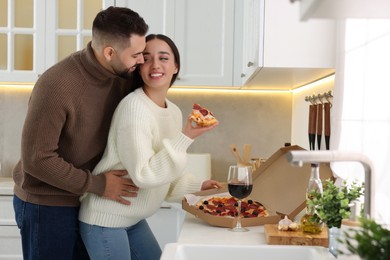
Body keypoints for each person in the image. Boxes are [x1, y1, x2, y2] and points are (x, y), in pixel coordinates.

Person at [12, 7, 149, 260]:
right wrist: (98, 184)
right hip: (47, 205)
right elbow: (37, 159)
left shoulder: (122, 76)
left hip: (88, 201)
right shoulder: (57, 84)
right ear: (109, 52)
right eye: (136, 54)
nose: (141, 61)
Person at [78, 34, 221, 260]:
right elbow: (144, 175)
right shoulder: (134, 108)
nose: (155, 65)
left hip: (133, 219)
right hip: (105, 220)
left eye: (164, 58)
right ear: (138, 66)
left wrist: (199, 184)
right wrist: (186, 137)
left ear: (175, 67)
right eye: (146, 58)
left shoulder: (172, 111)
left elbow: (165, 176)